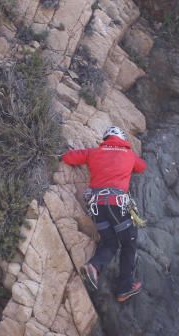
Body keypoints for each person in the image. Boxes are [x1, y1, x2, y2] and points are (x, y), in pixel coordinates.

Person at [62, 126, 146, 302]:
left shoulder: (94, 152)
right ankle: (124, 287)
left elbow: (69, 158)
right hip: (116, 205)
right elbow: (142, 167)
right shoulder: (129, 154)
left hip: (97, 207)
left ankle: (93, 267)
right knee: (129, 242)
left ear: (106, 138)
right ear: (122, 139)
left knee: (110, 242)